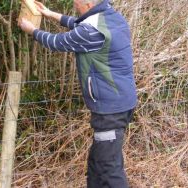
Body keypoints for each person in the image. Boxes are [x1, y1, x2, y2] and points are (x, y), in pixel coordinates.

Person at [19, 0, 137, 187]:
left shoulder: (90, 31)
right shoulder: (112, 17)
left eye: (77, 3)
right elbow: (80, 24)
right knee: (98, 162)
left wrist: (32, 30)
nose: (75, 5)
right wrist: (50, 13)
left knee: (108, 167)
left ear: (88, 4)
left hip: (110, 110)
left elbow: (57, 42)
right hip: (121, 102)